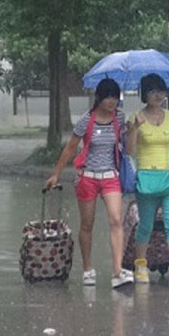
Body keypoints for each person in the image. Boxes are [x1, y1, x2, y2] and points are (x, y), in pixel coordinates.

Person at [45, 78, 134, 288]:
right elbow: (70, 148)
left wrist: (132, 130)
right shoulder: (86, 120)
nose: (112, 102)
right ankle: (87, 268)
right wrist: (56, 174)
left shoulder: (120, 117)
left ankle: (117, 271)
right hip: (88, 177)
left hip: (111, 176)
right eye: (108, 97)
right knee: (87, 224)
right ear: (99, 98)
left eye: (115, 97)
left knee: (116, 220)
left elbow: (127, 146)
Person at [126, 73, 169, 286]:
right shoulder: (135, 118)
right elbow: (130, 151)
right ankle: (140, 264)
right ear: (144, 94)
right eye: (153, 91)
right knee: (145, 225)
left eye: (161, 91)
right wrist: (135, 128)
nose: (158, 95)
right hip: (146, 178)